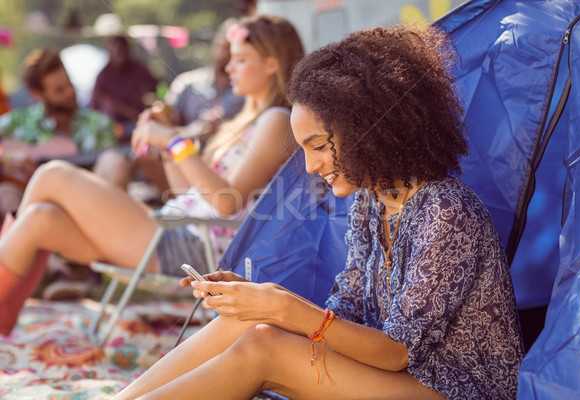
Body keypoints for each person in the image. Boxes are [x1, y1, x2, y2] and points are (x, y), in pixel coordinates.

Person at [112, 25, 524, 400]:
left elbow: (398, 351)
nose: (310, 166)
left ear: (372, 128)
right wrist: (264, 302)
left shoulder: (446, 210)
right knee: (252, 326)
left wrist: (282, 307)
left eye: (319, 145)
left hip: (454, 389)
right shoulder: (370, 202)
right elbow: (343, 313)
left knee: (264, 346)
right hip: (398, 376)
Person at [0, 14, 304, 336]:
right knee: (39, 218)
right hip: (174, 227)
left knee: (53, 176)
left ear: (272, 64)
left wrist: (174, 140)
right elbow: (189, 192)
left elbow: (226, 204)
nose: (229, 67)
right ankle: (4, 318)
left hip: (192, 248)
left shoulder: (277, 120)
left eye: (240, 60)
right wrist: (169, 141)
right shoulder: (244, 120)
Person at [0, 48, 117, 217]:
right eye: (59, 90)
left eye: (69, 83)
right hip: (32, 207)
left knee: (115, 162)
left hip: (86, 206)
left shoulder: (99, 124)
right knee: (5, 193)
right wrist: (7, 157)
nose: (70, 92)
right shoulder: (17, 122)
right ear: (37, 94)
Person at [163, 18, 244, 144]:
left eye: (230, 49)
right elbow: (167, 122)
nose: (224, 54)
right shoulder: (186, 83)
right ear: (213, 44)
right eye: (220, 46)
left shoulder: (247, 93)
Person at [90, 35, 158, 137]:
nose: (120, 56)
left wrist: (144, 95)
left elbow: (156, 86)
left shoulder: (139, 68)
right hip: (114, 128)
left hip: (139, 122)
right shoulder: (103, 76)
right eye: (116, 51)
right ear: (110, 52)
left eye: (122, 51)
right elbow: (94, 106)